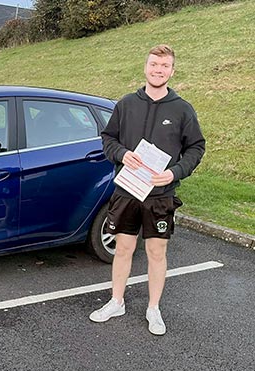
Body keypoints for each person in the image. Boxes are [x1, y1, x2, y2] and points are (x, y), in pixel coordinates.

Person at [89, 44, 206, 335]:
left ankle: (154, 308)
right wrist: (121, 154)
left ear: (172, 70)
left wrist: (174, 173)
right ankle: (117, 301)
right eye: (154, 64)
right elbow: (108, 138)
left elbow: (196, 147)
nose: (158, 70)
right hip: (128, 191)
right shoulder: (126, 103)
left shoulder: (182, 109)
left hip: (160, 196)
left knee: (156, 251)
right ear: (146, 67)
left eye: (164, 66)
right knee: (124, 248)